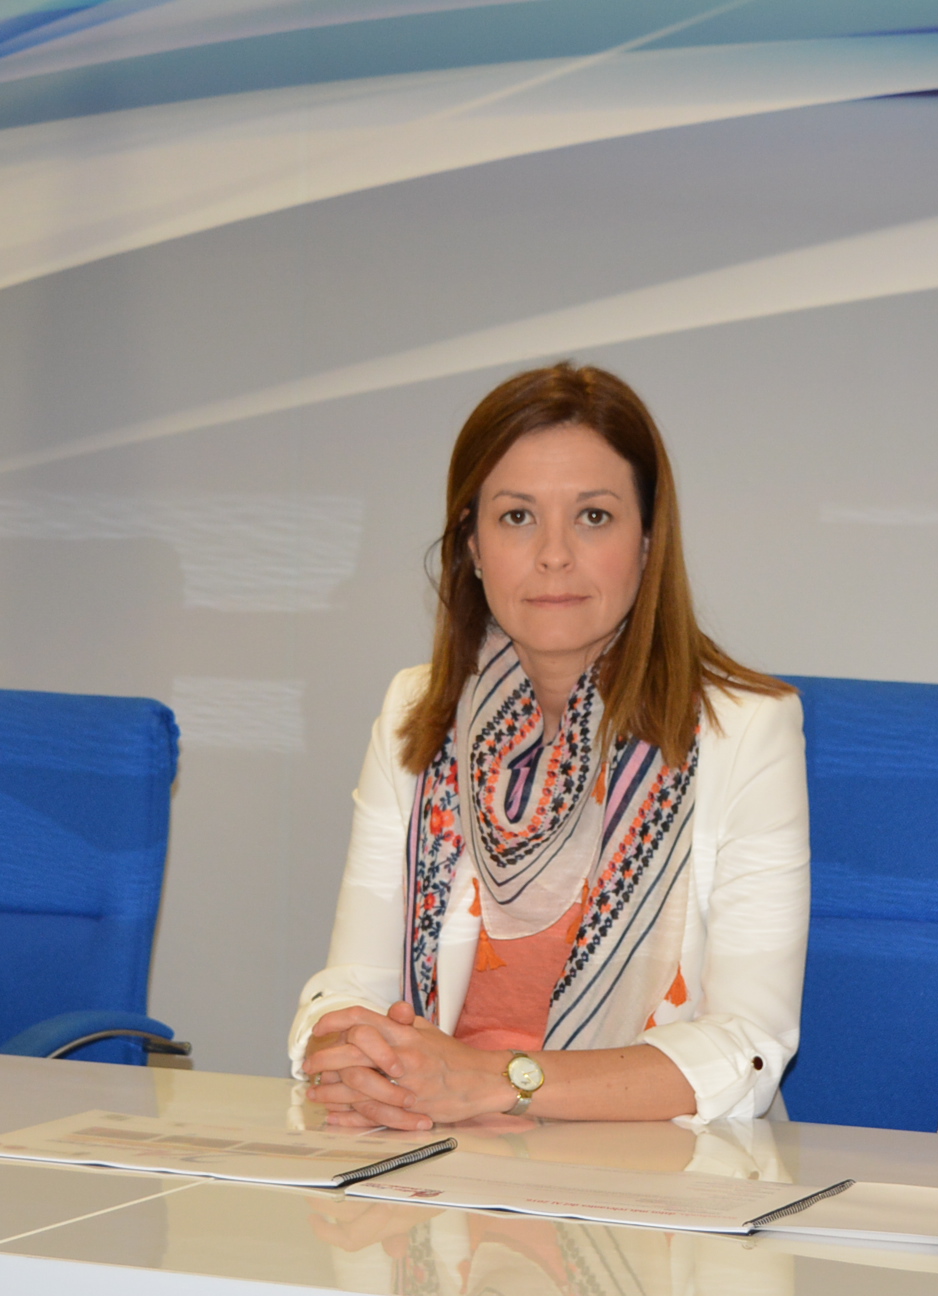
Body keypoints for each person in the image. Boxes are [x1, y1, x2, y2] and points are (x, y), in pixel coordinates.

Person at [293, 361, 809, 1128]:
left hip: (647, 1180)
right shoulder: (416, 710)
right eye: (516, 517)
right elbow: (354, 980)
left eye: (593, 517)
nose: (554, 554)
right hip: (432, 1156)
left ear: (647, 540)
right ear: (469, 543)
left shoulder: (746, 730)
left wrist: (495, 1078)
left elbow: (749, 1047)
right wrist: (347, 1046)